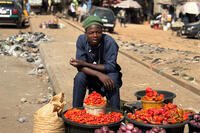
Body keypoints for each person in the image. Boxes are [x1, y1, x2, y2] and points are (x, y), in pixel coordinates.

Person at [69, 16, 122, 110]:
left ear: (102, 32)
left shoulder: (109, 42)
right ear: (86, 33)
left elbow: (111, 67)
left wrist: (85, 63)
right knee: (79, 77)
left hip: (108, 73)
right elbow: (80, 67)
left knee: (113, 78)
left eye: (98, 32)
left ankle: (116, 112)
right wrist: (98, 74)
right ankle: (76, 110)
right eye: (91, 33)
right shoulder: (81, 40)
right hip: (91, 74)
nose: (95, 35)